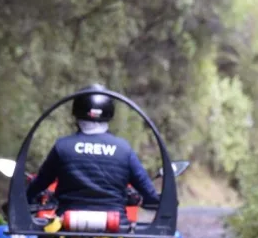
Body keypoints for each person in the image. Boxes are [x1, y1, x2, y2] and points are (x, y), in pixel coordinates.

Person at [25, 84, 160, 227]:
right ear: (109, 113)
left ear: (76, 112)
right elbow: (149, 193)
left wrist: (25, 198)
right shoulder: (123, 149)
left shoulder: (62, 147)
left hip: (67, 230)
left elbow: (39, 184)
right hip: (116, 231)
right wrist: (155, 201)